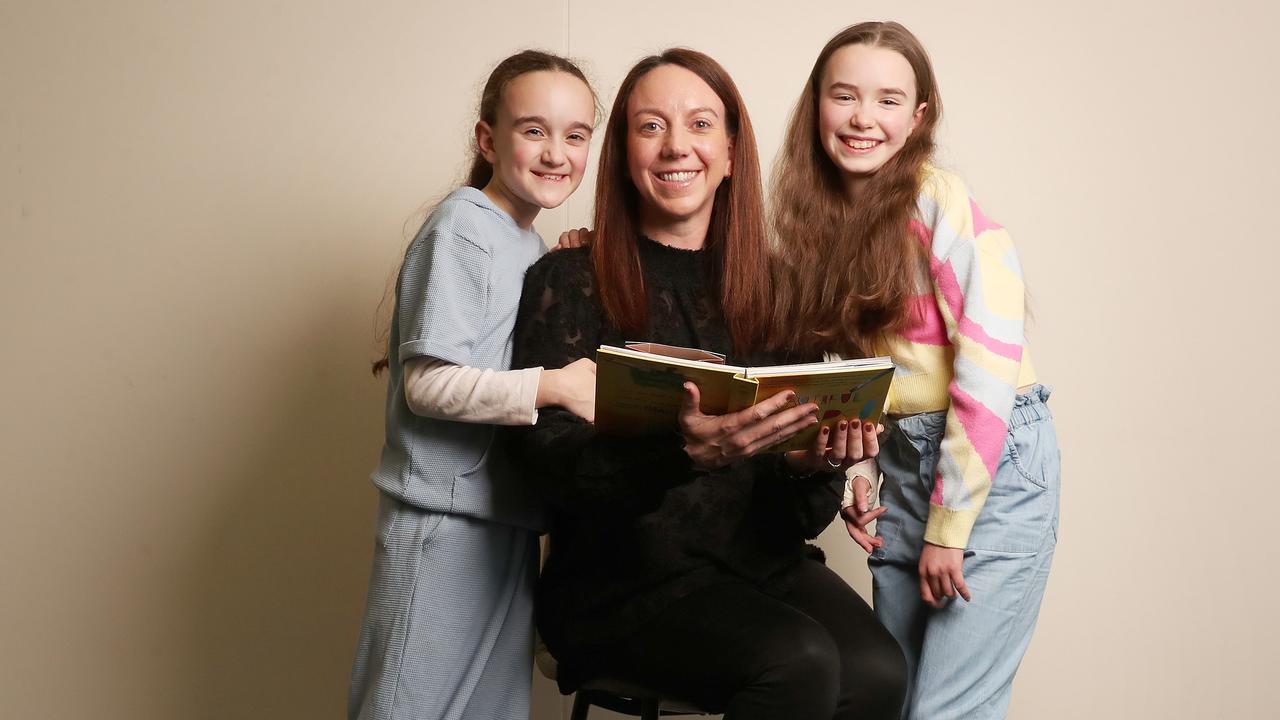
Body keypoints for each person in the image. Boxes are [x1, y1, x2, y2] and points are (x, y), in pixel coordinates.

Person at [510, 48, 907, 720]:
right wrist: (682, 452)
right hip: (618, 580)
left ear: (729, 151)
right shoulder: (568, 280)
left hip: (753, 562)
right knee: (798, 663)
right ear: (624, 154)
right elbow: (546, 474)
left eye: (699, 124)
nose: (675, 148)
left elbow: (791, 517)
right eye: (650, 126)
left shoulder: (775, 292)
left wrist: (809, 464)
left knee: (877, 671)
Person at [770, 21, 1062, 719]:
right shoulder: (820, 222)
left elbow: (988, 375)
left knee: (946, 712)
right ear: (817, 104)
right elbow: (854, 368)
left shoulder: (940, 203)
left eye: (889, 100)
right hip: (904, 461)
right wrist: (863, 472)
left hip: (991, 469)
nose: (864, 118)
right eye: (844, 96)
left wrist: (947, 529)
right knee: (891, 701)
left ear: (920, 116)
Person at [347, 49, 599, 720]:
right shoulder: (463, 226)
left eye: (576, 135)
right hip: (442, 521)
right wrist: (556, 387)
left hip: (502, 521)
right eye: (534, 130)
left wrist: (560, 267)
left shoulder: (525, 240)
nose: (556, 153)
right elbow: (426, 385)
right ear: (488, 139)